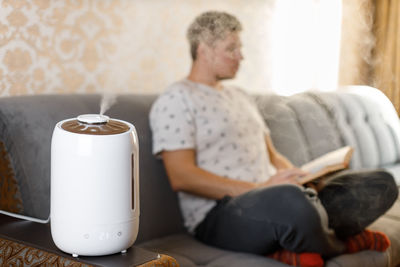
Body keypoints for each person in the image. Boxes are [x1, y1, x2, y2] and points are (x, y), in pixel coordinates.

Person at [149, 11, 398, 267]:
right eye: (231, 48)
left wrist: (303, 178)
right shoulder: (176, 99)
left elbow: (273, 156)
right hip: (224, 213)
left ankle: (298, 237)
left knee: (380, 183)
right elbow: (182, 176)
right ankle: (338, 245)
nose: (241, 56)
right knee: (291, 202)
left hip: (277, 199)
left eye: (240, 48)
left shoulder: (241, 97)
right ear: (203, 50)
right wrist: (263, 189)